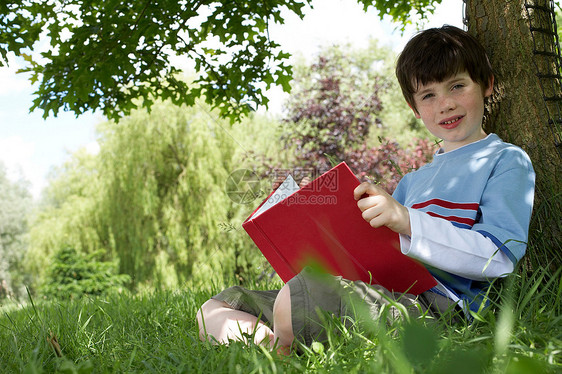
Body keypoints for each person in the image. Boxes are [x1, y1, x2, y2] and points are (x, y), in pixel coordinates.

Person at [196, 25, 536, 353]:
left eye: (457, 86)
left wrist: (407, 220)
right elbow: (382, 252)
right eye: (428, 95)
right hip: (383, 291)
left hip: (438, 309)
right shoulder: (413, 181)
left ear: (487, 85)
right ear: (414, 109)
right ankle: (278, 346)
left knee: (296, 298)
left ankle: (285, 337)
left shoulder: (504, 160)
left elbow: (499, 258)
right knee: (216, 307)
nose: (445, 104)